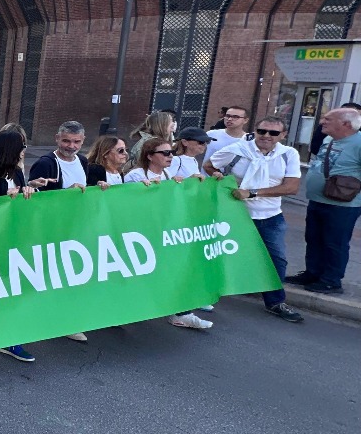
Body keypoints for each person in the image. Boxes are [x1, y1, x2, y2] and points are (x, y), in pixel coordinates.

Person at [205, 116, 303, 322]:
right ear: (255, 131)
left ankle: (275, 302)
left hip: (270, 216)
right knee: (218, 254)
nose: (266, 136)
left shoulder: (289, 154)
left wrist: (253, 192)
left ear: (283, 135)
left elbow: (291, 187)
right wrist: (218, 176)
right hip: (235, 215)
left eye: (273, 133)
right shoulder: (238, 149)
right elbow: (209, 165)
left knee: (276, 259)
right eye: (262, 131)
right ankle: (207, 295)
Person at [125, 137, 214, 330]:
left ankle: (182, 313)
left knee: (174, 271)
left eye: (171, 152)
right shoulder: (136, 174)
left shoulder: (168, 174)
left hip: (163, 232)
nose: (170, 156)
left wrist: (187, 184)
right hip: (142, 234)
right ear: (150, 156)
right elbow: (128, 202)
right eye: (165, 153)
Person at [0, 131, 40, 362]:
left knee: (13, 290)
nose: (24, 151)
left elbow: (23, 204)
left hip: (16, 240)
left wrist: (28, 191)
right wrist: (1, 198)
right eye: (21, 147)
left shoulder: (18, 173)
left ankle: (10, 337)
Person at [285, 106, 361, 295]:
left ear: (345, 124)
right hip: (318, 200)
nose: (322, 122)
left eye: (328, 119)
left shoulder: (359, 143)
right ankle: (313, 273)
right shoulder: (329, 139)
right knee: (313, 238)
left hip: (343, 205)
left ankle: (331, 280)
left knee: (335, 242)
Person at [27, 121, 89, 193]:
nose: (71, 146)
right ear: (57, 138)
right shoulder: (45, 164)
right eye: (66, 141)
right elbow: (35, 197)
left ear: (83, 140)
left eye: (77, 142)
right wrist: (67, 192)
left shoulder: (83, 161)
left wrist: (98, 186)